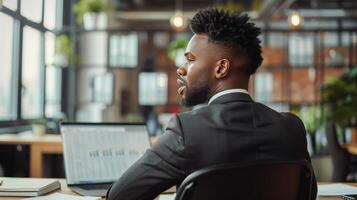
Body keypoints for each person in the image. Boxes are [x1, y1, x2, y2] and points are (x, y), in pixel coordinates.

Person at [106, 8, 317, 200]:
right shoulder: (291, 128)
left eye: (190, 59)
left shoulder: (186, 131)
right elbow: (308, 193)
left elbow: (120, 196)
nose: (181, 69)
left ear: (221, 68)